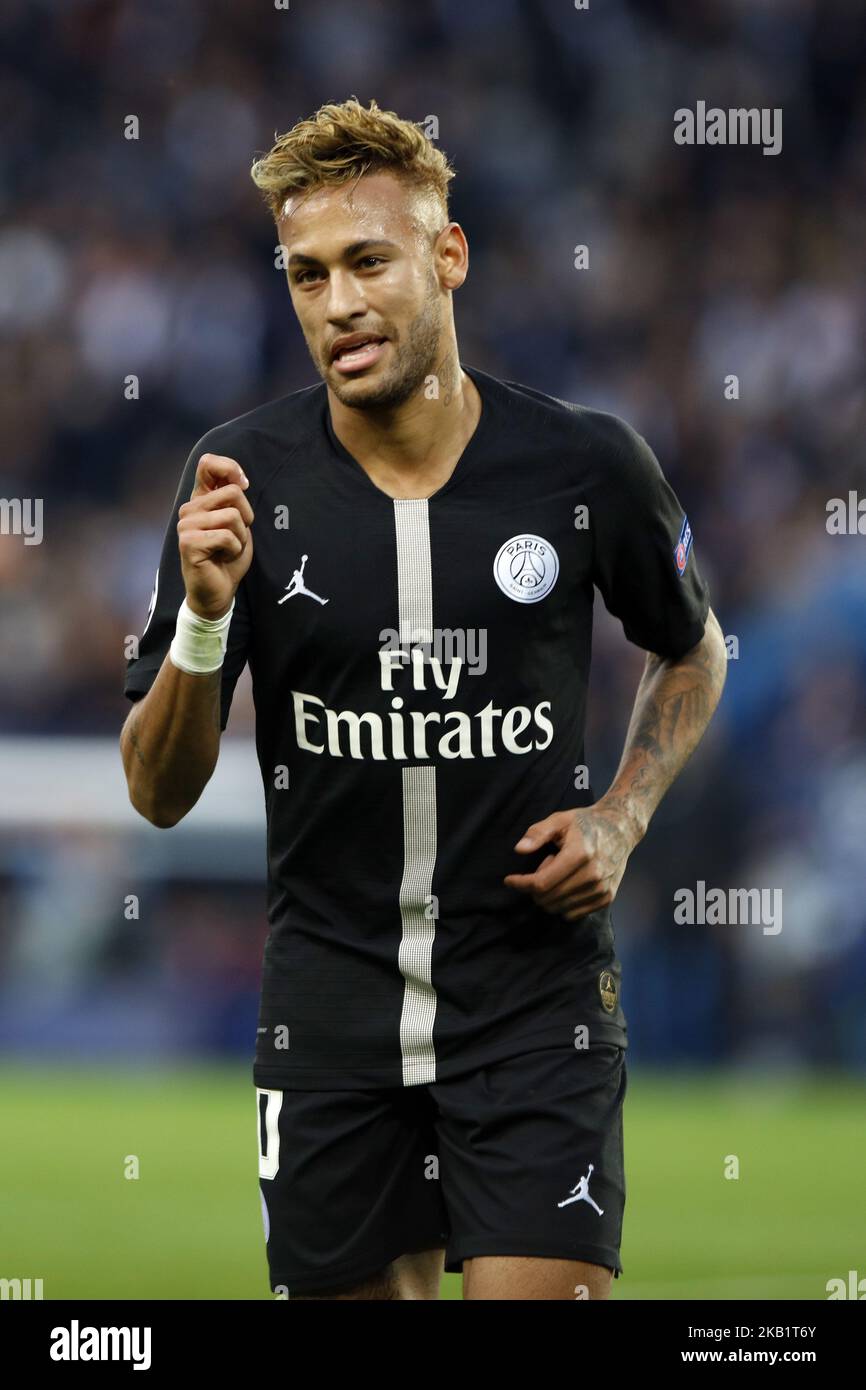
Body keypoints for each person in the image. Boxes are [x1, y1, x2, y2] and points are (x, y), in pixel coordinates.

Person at [120, 97, 727, 1301]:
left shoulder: (585, 465)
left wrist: (621, 814)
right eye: (304, 276)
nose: (336, 303)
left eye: (366, 262)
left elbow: (693, 647)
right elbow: (156, 791)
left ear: (445, 257)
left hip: (532, 1007)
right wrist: (201, 613)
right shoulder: (238, 479)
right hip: (329, 1016)